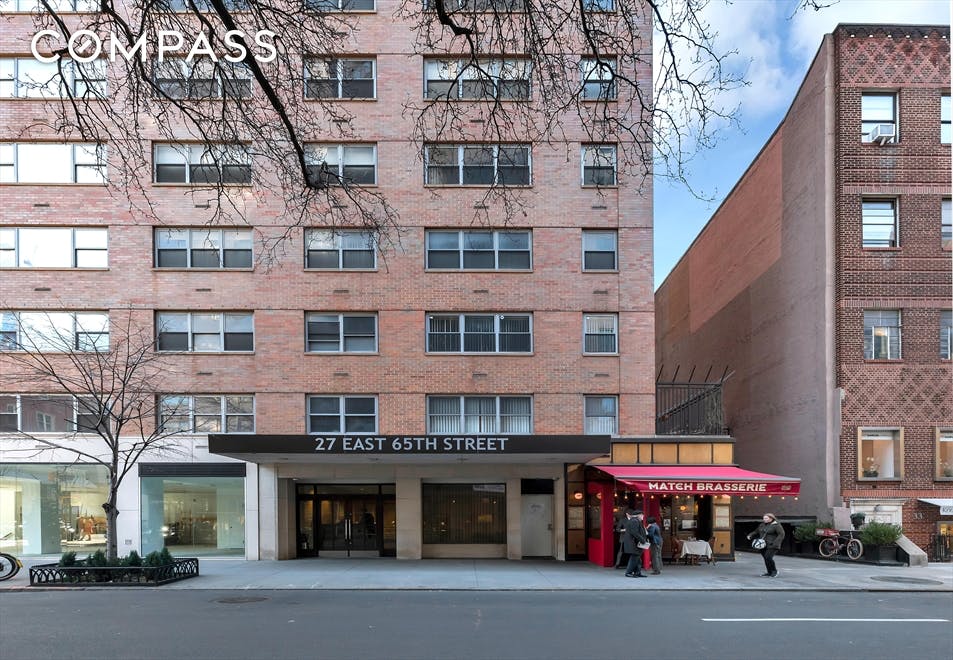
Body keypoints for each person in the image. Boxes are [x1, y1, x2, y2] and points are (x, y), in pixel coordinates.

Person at [747, 512, 785, 577]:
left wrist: (775, 543)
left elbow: (781, 534)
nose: (764, 519)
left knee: (768, 557)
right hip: (763, 545)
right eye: (764, 518)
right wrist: (750, 535)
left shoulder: (776, 525)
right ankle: (769, 572)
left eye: (766, 518)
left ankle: (774, 571)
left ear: (771, 518)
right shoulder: (762, 525)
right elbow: (756, 531)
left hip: (772, 545)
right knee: (766, 558)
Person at [622, 509, 648, 578]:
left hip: (634, 543)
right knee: (634, 558)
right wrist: (643, 540)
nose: (643, 516)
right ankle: (628, 572)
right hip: (633, 543)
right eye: (642, 515)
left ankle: (637, 572)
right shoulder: (634, 521)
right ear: (638, 515)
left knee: (637, 558)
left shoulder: (635, 521)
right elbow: (635, 533)